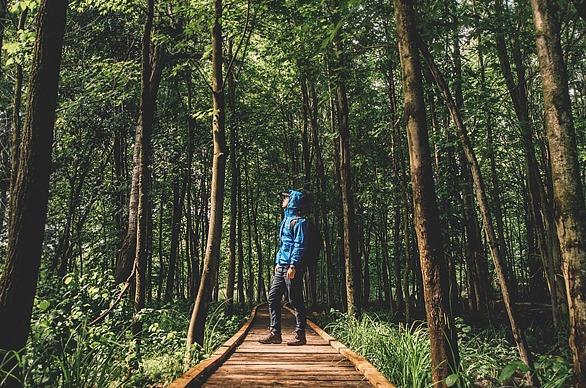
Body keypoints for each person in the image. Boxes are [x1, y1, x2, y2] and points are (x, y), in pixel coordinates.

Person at [258, 189, 307, 346]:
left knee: (295, 300)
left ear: (292, 201)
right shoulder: (286, 220)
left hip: (292, 267)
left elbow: (299, 245)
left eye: (285, 198)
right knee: (273, 297)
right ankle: (275, 334)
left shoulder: (300, 222)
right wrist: (278, 262)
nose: (282, 200)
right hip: (281, 267)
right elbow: (284, 245)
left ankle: (300, 335)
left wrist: (293, 265)